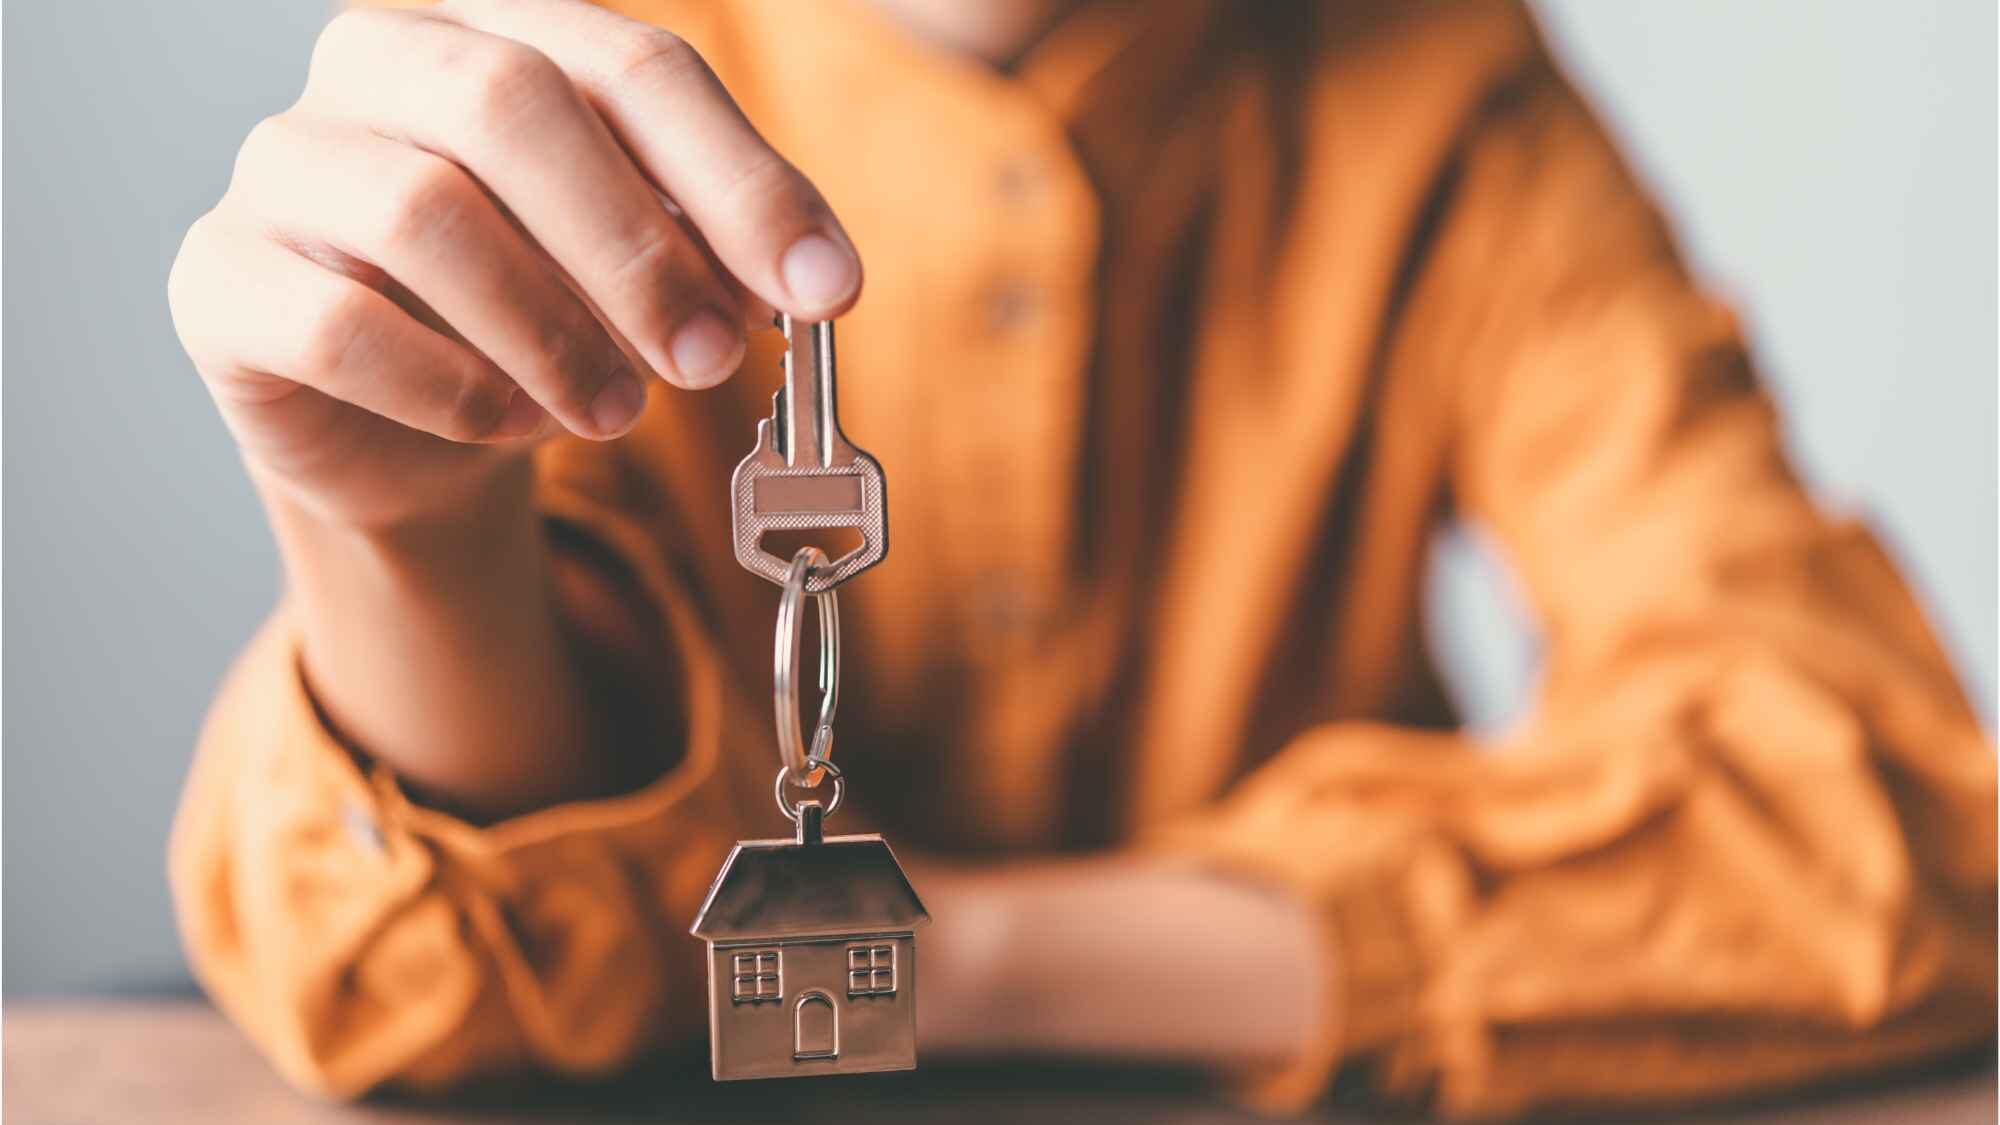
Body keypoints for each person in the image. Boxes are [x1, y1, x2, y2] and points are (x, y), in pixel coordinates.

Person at [164, 0, 1995, 1117]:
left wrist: (951, 962)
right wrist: (403, 545)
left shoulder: (1445, 94)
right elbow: (407, 994)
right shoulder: (495, 112)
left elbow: (1886, 834)